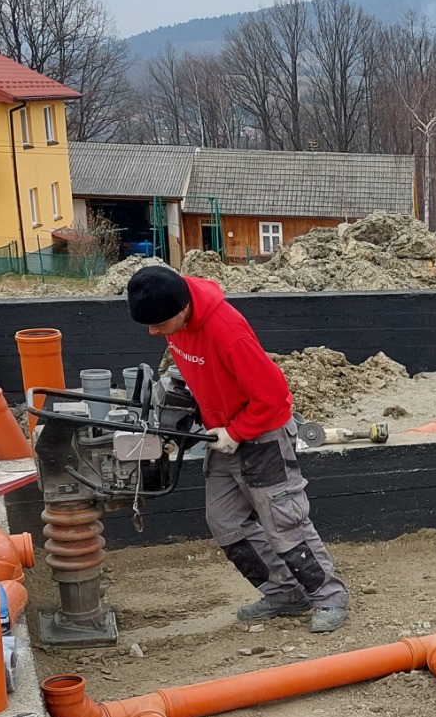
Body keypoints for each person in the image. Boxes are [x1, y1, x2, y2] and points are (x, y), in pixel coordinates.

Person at [125, 265, 349, 633]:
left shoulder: (226, 331)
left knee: (285, 522)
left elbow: (274, 396)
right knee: (225, 522)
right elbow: (197, 372)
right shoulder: (176, 323)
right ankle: (284, 593)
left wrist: (238, 430)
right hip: (221, 435)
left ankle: (329, 597)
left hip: (261, 435)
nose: (153, 332)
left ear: (182, 309)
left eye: (159, 324)